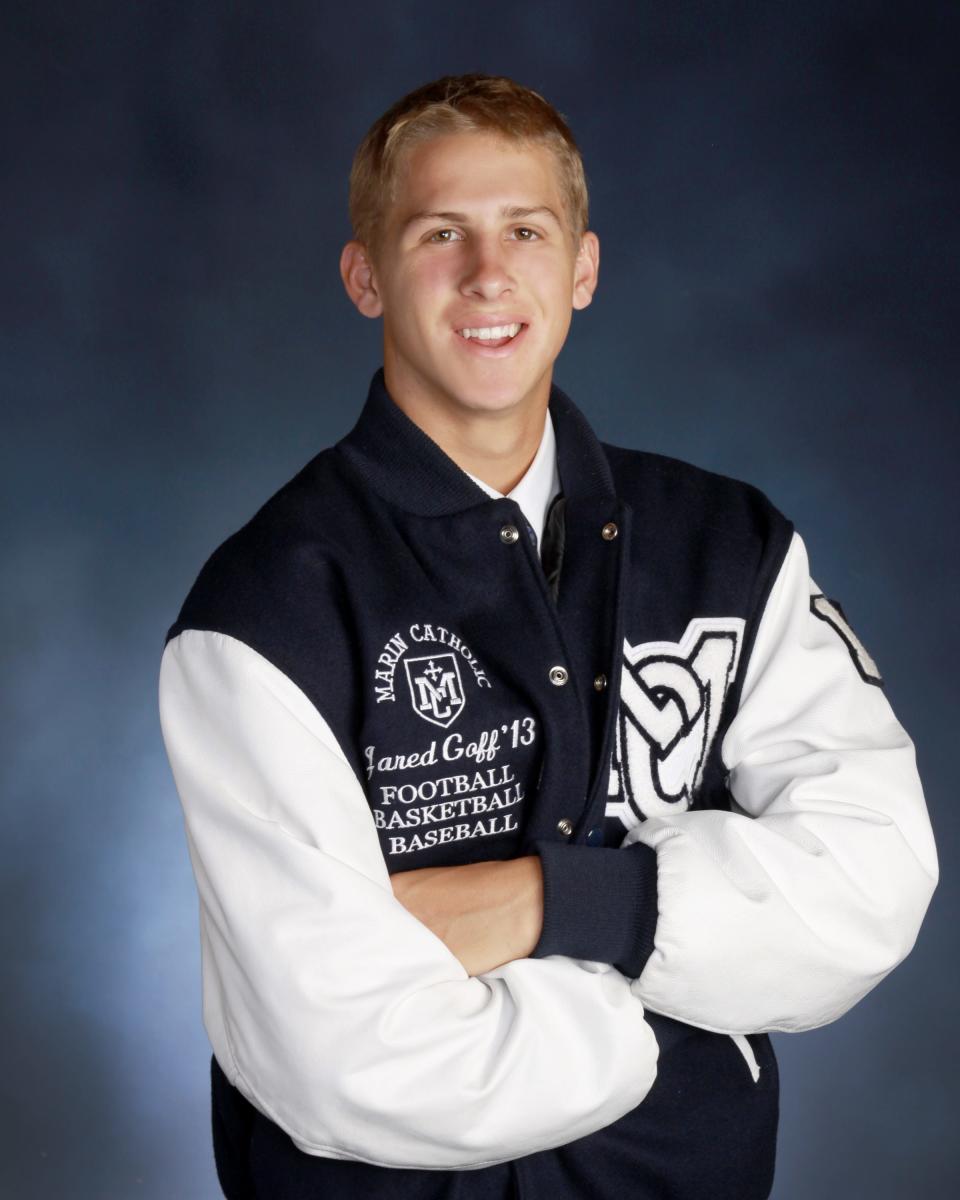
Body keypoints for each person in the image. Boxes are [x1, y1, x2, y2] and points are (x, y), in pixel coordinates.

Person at [158, 73, 939, 1200]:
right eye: (441, 233)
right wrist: (661, 1020)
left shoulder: (729, 547)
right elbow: (338, 1055)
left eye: (526, 229)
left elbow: (874, 882)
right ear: (364, 276)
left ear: (582, 269)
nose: (488, 274)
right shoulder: (265, 609)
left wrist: (557, 903)